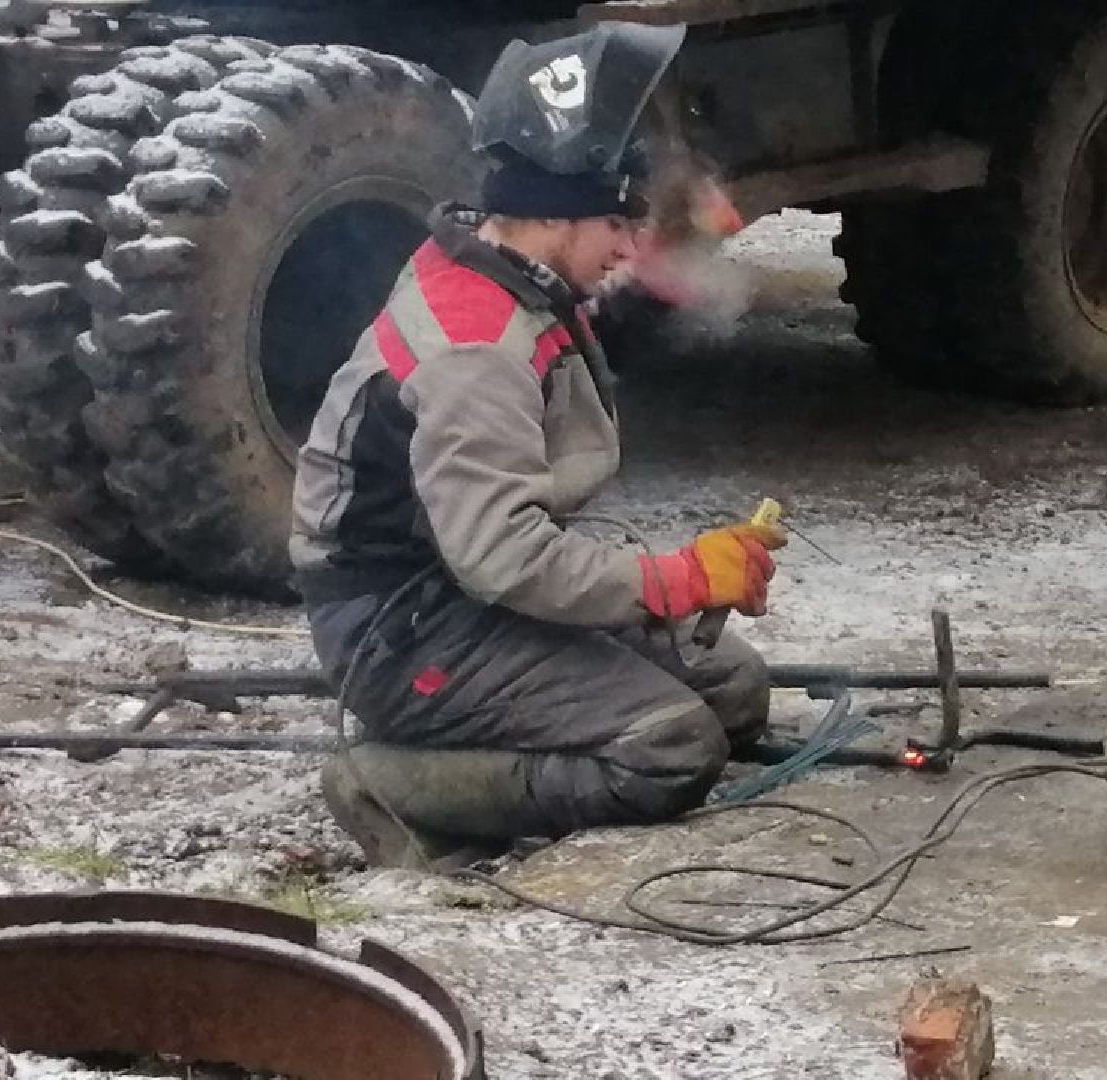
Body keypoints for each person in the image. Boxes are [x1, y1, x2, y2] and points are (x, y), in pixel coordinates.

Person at [288, 24, 779, 869]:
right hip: (403, 628)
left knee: (735, 691)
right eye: (617, 221)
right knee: (672, 748)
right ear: (552, 214)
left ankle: (489, 740)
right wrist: (680, 579)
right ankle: (386, 783)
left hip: (456, 586)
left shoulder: (499, 262)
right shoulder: (476, 348)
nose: (630, 244)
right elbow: (505, 557)